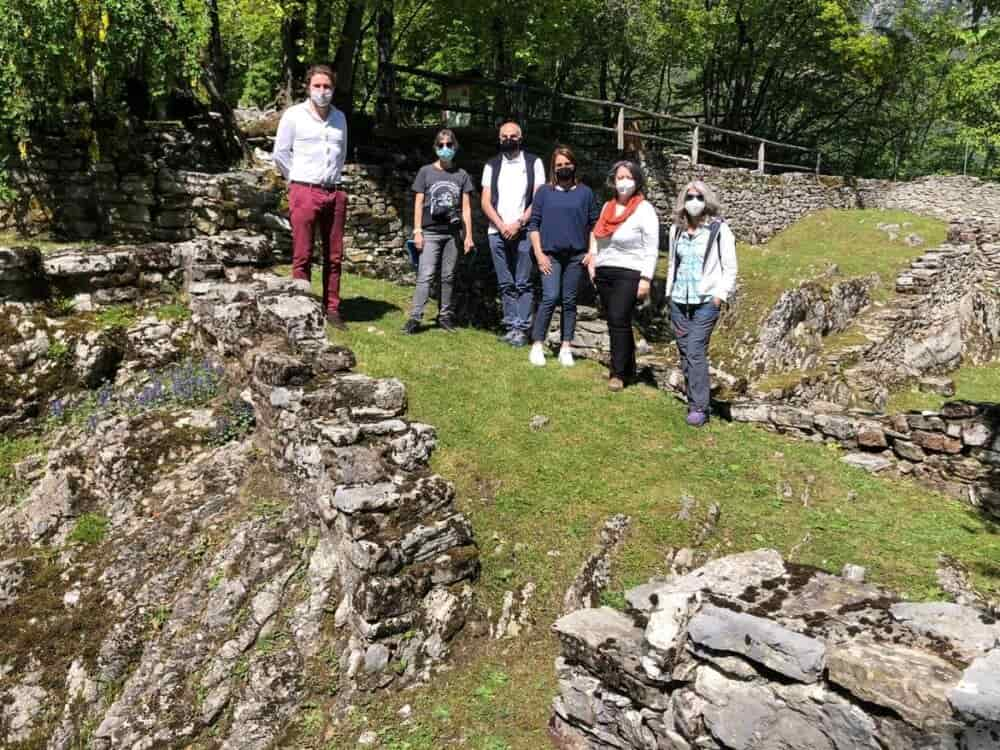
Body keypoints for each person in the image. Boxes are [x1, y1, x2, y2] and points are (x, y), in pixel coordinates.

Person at [273, 64, 349, 329]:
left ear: (333, 89)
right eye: (317, 86)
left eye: (327, 87)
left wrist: (334, 181)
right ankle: (301, 307)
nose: (322, 91)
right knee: (303, 252)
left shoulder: (340, 118)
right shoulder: (294, 116)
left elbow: (341, 155)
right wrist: (297, 179)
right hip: (304, 189)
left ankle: (332, 308)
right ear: (308, 87)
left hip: (334, 191)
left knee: (334, 255)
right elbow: (280, 153)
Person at [665, 180, 737, 426]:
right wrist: (668, 295)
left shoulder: (719, 230)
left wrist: (719, 297)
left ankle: (700, 407)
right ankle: (694, 399)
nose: (694, 201)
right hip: (679, 300)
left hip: (706, 301)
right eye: (689, 196)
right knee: (685, 352)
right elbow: (673, 264)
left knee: (695, 350)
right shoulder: (676, 230)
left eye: (698, 197)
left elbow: (730, 268)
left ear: (707, 201)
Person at [586, 161, 659, 391]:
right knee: (617, 321)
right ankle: (629, 368)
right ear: (613, 181)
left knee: (618, 318)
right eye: (619, 177)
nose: (623, 182)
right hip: (604, 271)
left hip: (629, 272)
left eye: (628, 177)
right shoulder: (608, 207)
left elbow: (651, 247)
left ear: (637, 181)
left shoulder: (644, 209)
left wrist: (646, 278)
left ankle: (616, 373)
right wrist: (593, 260)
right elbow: (597, 236)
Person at [527, 146, 599, 367]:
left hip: (576, 256)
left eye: (567, 164)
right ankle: (537, 344)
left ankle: (566, 346)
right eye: (559, 165)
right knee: (550, 296)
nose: (563, 168)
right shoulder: (544, 193)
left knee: (569, 301)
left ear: (574, 165)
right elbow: (534, 225)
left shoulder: (585, 193)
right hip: (550, 255)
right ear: (553, 168)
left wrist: (592, 251)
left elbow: (594, 225)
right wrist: (539, 254)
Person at [402, 129, 475, 334]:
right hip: (430, 232)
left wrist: (468, 235)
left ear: (455, 147)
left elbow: (467, 208)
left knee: (448, 276)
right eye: (441, 145)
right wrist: (417, 231)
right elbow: (418, 203)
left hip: (452, 234)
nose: (445, 149)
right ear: (435, 147)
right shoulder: (426, 172)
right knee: (425, 275)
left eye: (449, 145)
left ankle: (444, 316)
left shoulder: (461, 175)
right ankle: (415, 318)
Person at [481, 121, 546, 347]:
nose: (509, 139)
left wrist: (519, 223)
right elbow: (485, 201)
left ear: (520, 137)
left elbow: (538, 199)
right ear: (499, 139)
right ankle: (510, 326)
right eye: (504, 136)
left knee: (523, 282)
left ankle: (522, 328)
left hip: (525, 230)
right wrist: (501, 225)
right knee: (505, 282)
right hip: (496, 231)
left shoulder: (534, 163)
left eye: (513, 136)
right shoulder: (492, 165)